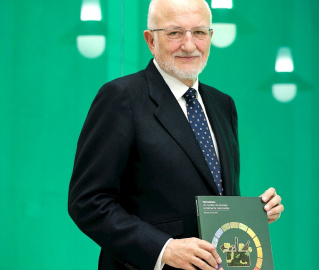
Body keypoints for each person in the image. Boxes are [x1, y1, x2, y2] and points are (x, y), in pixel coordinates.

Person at [68, 0, 284, 269]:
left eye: (199, 32)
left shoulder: (222, 105)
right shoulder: (121, 98)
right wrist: (164, 249)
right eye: (174, 32)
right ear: (150, 40)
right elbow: (88, 202)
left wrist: (254, 213)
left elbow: (214, 198)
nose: (189, 44)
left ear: (211, 37)